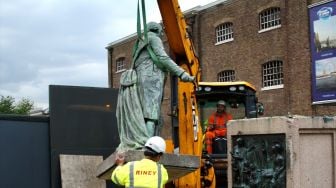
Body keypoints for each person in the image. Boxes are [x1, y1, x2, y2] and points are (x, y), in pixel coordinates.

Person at [116, 21, 194, 151]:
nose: (161, 34)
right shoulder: (154, 38)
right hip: (152, 77)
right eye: (161, 32)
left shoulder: (139, 43)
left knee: (143, 113)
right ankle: (147, 147)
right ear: (156, 30)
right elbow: (163, 58)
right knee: (151, 114)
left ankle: (143, 143)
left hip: (139, 78)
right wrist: (182, 74)